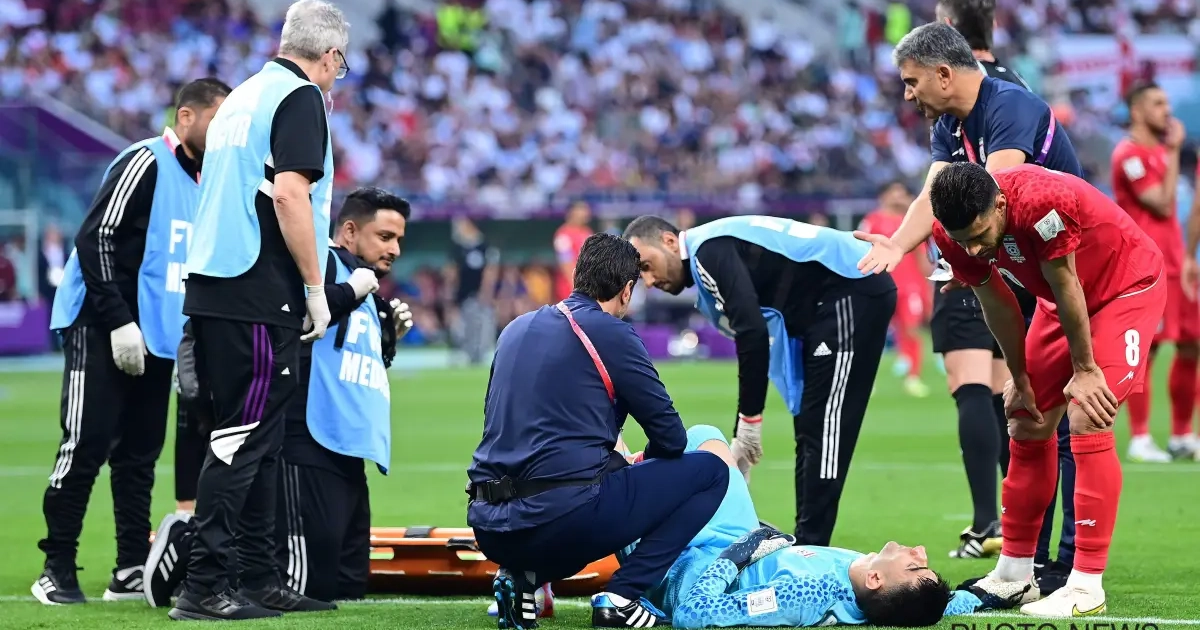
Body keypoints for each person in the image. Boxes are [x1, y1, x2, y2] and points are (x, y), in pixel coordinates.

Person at [861, 19, 1083, 583]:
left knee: (1066, 421)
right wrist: (898, 244)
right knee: (1030, 418)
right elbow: (936, 195)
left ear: (943, 74)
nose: (907, 95)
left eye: (911, 81)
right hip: (1025, 277)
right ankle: (1030, 561)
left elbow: (990, 200)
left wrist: (966, 258)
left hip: (1068, 279)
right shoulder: (951, 125)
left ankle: (1069, 564)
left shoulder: (1010, 106)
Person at [143, 188, 413, 607]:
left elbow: (344, 357)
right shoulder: (319, 265)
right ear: (348, 231)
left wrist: (387, 337)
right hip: (305, 436)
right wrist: (349, 292)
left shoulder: (364, 283)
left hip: (349, 444)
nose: (394, 249)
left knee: (347, 585)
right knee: (304, 583)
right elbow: (293, 322)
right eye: (384, 236)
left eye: (398, 239)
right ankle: (186, 549)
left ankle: (206, 551)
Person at [173, 0, 348, 620]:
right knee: (243, 439)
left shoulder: (243, 96)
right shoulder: (299, 97)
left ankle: (257, 578)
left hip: (218, 282)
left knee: (260, 440)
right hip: (255, 286)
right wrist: (313, 287)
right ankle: (204, 585)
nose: (338, 75)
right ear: (330, 55)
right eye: (340, 65)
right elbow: (291, 195)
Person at [930, 162, 1167, 617]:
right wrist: (1019, 379)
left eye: (980, 235)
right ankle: (1015, 574)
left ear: (1000, 204)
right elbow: (997, 303)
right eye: (964, 242)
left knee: (1087, 413)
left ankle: (1086, 585)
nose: (974, 249)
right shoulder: (951, 232)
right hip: (1061, 302)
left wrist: (1086, 369)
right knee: (1026, 416)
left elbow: (1066, 281)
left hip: (1124, 288)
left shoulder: (1042, 201)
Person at [467, 233, 729, 629]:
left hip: (489, 526)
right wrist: (638, 462)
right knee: (711, 472)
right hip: (561, 520)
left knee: (586, 481)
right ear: (627, 291)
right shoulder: (612, 332)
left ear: (578, 275)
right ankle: (623, 596)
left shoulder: (515, 328)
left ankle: (523, 577)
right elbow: (672, 438)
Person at [33, 78, 230, 606]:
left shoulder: (206, 182)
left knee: (140, 457)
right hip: (102, 325)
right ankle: (56, 567)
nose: (224, 133)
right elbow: (95, 236)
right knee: (85, 445)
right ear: (186, 117)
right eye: (218, 120)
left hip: (158, 336)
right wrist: (119, 320)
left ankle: (128, 567)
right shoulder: (145, 160)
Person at [624, 215, 896, 547]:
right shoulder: (713, 244)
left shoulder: (706, 251)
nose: (649, 281)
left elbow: (751, 332)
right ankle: (808, 544)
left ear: (669, 241)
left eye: (647, 266)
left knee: (825, 427)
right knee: (812, 425)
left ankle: (813, 547)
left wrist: (749, 424)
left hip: (851, 286)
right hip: (829, 300)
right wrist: (745, 426)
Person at [630, 425, 1031, 628]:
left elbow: (695, 613)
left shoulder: (805, 595)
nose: (920, 552)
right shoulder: (886, 586)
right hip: (734, 534)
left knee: (612, 471)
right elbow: (946, 601)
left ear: (876, 579)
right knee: (706, 437)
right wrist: (994, 590)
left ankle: (626, 474)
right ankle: (636, 469)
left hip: (687, 558)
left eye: (914, 564)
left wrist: (735, 558)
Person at [1111, 82, 1196, 462]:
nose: (1167, 110)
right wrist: (1175, 151)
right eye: (1158, 103)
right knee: (1148, 349)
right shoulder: (1128, 155)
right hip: (1146, 267)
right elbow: (1160, 204)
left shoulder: (1160, 153)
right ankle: (1140, 437)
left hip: (1176, 263)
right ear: (1137, 111)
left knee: (1192, 344)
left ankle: (1182, 435)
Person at [858, 181, 931, 398]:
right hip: (880, 284)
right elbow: (861, 249)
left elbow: (921, 255)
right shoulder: (872, 220)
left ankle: (913, 378)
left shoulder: (910, 222)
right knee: (871, 332)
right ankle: (866, 380)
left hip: (910, 287)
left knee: (912, 330)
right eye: (894, 193)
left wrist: (927, 285)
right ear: (884, 196)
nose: (898, 197)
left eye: (901, 193)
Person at [450, 217, 499, 365]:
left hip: (479, 294)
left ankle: (480, 354)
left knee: (482, 324)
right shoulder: (459, 248)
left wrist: (486, 292)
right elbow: (453, 272)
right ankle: (468, 353)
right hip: (463, 294)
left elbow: (490, 272)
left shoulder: (486, 247)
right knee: (466, 325)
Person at [553, 201, 594, 302]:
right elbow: (566, 265)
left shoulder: (587, 232)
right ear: (572, 212)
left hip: (589, 288)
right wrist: (577, 289)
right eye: (582, 209)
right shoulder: (563, 234)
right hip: (570, 291)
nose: (586, 213)